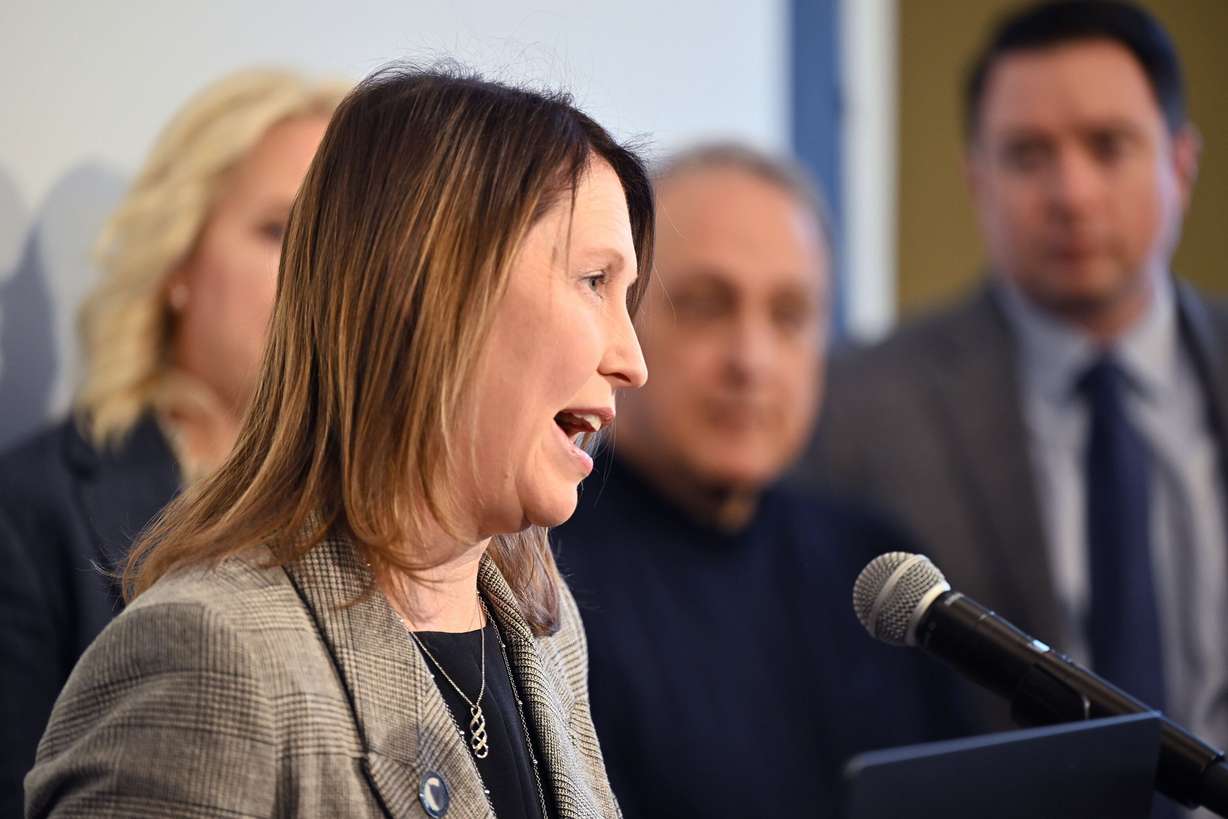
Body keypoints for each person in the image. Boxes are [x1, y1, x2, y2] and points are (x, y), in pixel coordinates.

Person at [25, 65, 652, 818]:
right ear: (432, 289)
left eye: (628, 295)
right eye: (592, 280)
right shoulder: (207, 657)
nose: (633, 360)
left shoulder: (545, 630)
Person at [801, 0, 1228, 772]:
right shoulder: (860, 403)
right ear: (976, 179)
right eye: (1029, 155)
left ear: (1181, 165)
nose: (1072, 193)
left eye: (1108, 146)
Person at [552, 144, 965, 819]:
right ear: (620, 319)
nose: (752, 359)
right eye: (707, 306)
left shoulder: (879, 572)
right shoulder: (542, 573)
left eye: (789, 314)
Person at [0, 68, 344, 815]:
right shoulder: (27, 516)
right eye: (281, 230)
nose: (319, 275)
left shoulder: (411, 524)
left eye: (346, 242)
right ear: (179, 260)